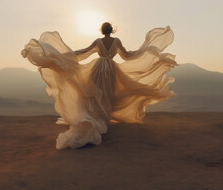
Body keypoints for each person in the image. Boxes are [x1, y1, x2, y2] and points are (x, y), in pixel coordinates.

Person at [21, 22, 178, 149]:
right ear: (112, 30)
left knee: (96, 94)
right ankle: (101, 121)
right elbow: (127, 55)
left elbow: (85, 52)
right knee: (107, 94)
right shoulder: (117, 41)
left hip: (97, 68)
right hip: (111, 69)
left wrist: (65, 56)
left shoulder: (98, 41)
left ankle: (98, 120)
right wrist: (144, 52)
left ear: (102, 31)